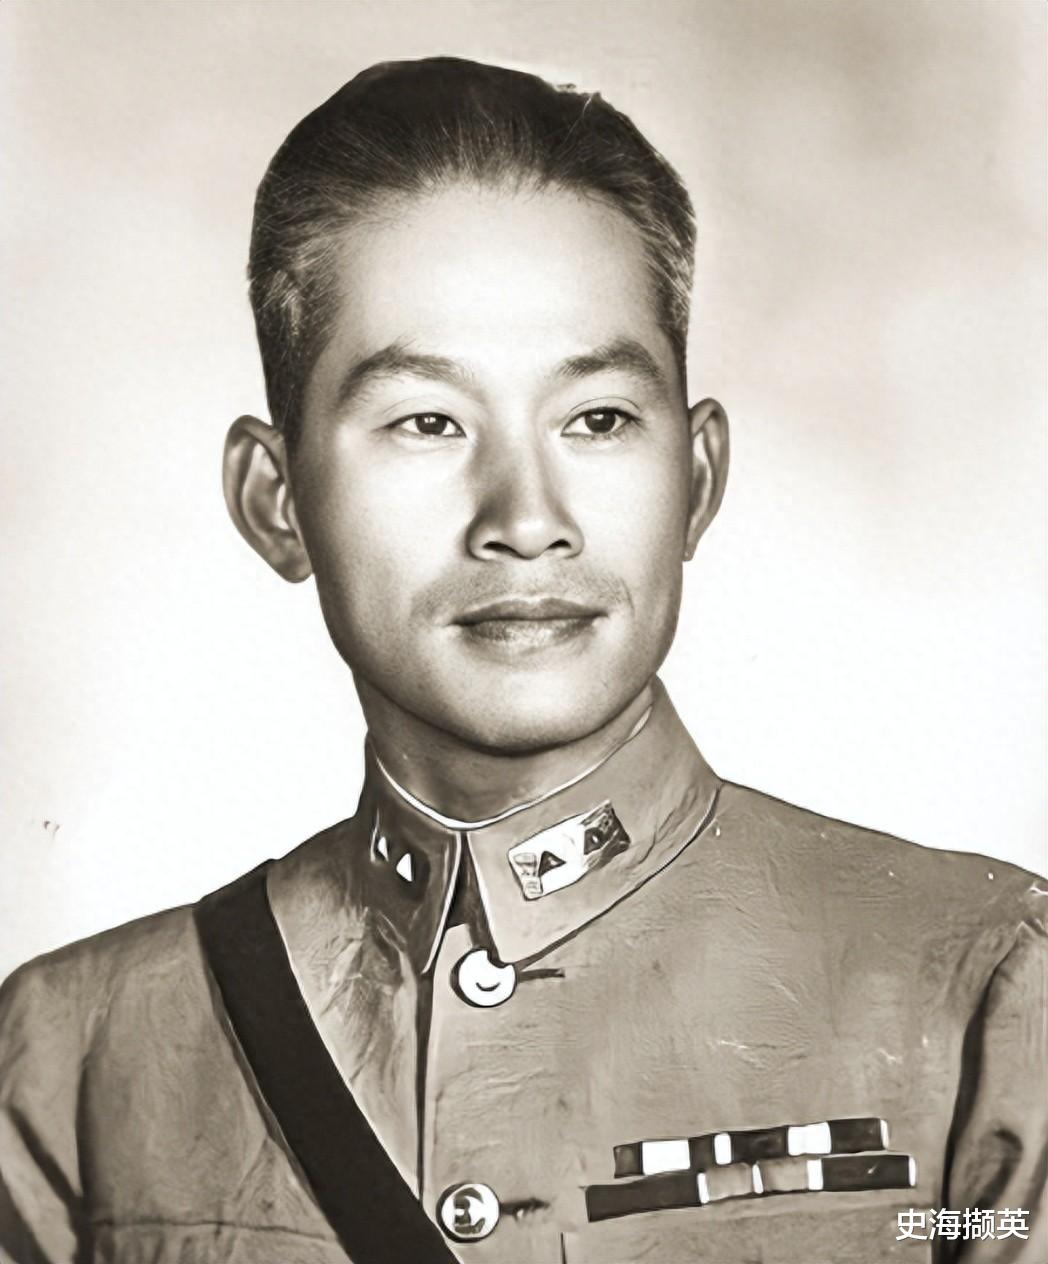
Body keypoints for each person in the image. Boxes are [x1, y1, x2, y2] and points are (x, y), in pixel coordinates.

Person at [0, 56, 1043, 1264]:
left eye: (597, 418)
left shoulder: (983, 991)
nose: (526, 517)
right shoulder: (77, 1059)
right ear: (275, 497)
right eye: (426, 421)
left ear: (697, 476)